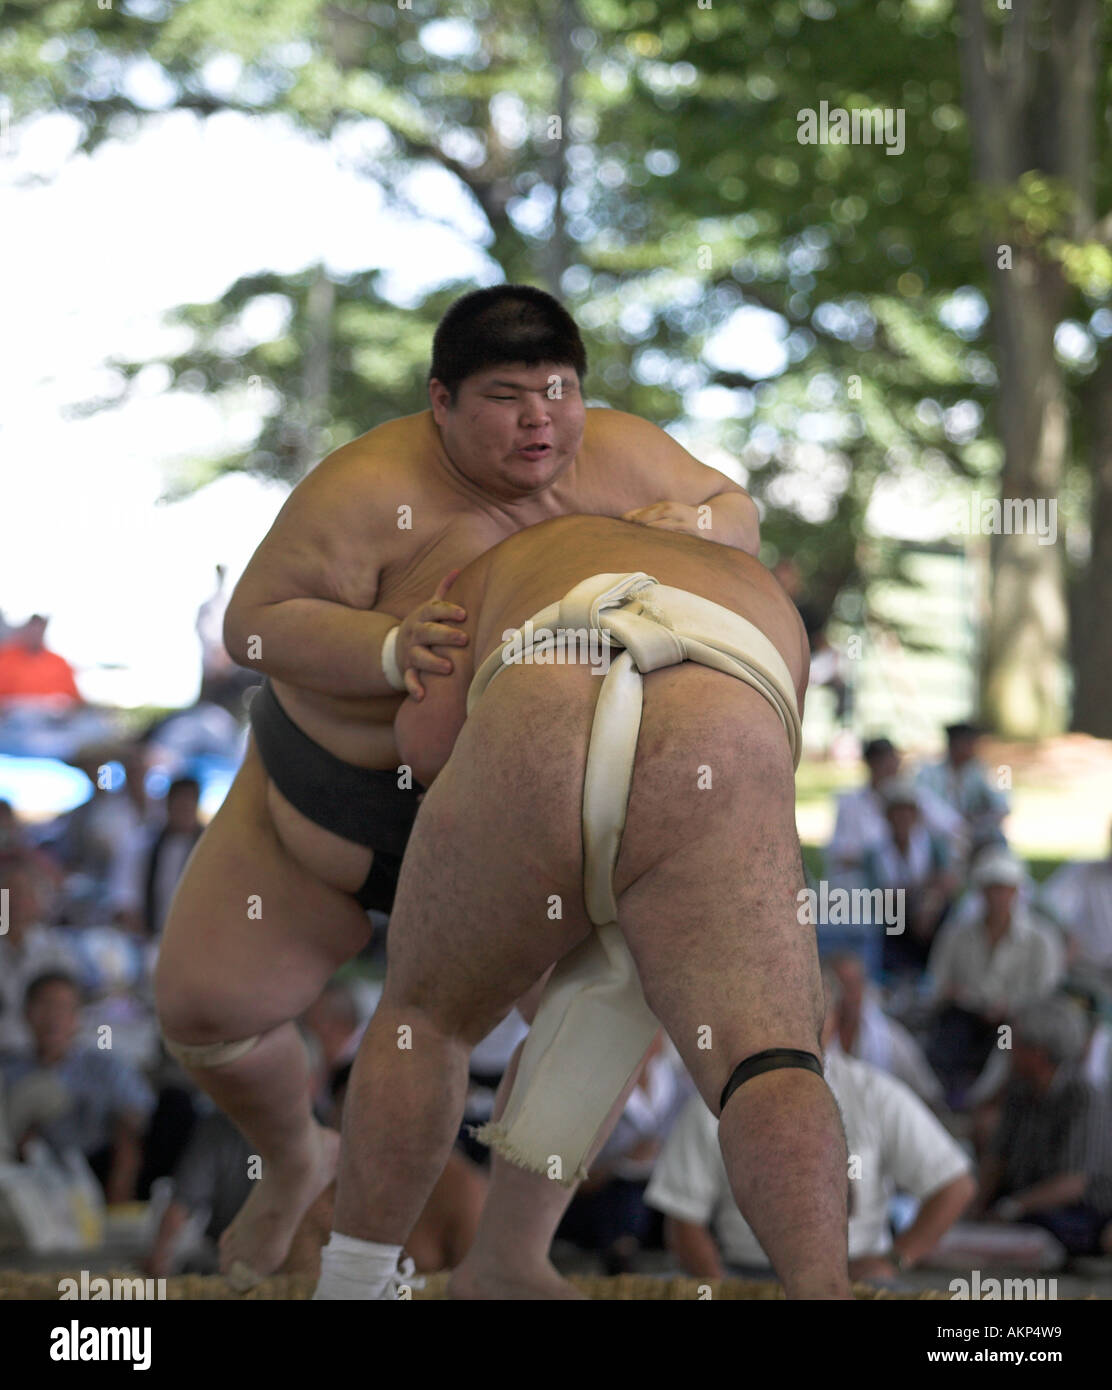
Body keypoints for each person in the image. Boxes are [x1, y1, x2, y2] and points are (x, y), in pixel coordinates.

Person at [154, 283, 763, 1293]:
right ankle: (297, 1151)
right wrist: (385, 644)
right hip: (327, 796)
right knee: (207, 1011)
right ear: (440, 401)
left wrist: (692, 521)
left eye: (557, 391)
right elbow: (252, 625)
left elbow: (735, 510)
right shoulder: (364, 487)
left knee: (598, 1012)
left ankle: (511, 1250)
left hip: (511, 822)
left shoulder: (616, 454)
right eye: (506, 396)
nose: (539, 421)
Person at [314, 511, 853, 1302]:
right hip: (721, 720)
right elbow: (772, 752)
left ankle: (354, 1287)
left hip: (539, 695)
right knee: (770, 1059)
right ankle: (822, 1297)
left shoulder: (508, 554)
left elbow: (428, 745)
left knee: (425, 1020)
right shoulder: (758, 585)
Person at [645, 969, 974, 1282]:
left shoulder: (875, 1094)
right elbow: (682, 1216)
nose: (801, 1023)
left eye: (813, 1010)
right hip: (748, 1277)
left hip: (855, 1277)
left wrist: (896, 1259)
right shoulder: (717, 1100)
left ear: (834, 1016)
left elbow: (953, 1184)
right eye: (785, 1009)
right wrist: (720, 1289)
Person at [970, 998, 1112, 1257]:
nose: (1008, 1049)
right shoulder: (1017, 1089)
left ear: (1038, 1052)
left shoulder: (1083, 1097)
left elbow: (1074, 1184)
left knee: (1059, 1231)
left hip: (1075, 1208)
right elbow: (997, 1157)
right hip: (1026, 1199)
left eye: (1015, 1042)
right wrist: (977, 1206)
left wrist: (1012, 1207)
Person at [2, 972, 155, 1203]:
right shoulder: (9, 1072)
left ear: (77, 1017)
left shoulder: (106, 1066)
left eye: (63, 1008)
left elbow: (136, 1118)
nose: (53, 1017)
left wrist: (123, 1175)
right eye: (45, 1005)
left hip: (102, 1165)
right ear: (26, 1014)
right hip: (35, 1173)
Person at [926, 849, 1064, 1099]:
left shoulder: (1040, 940)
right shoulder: (957, 935)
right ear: (981, 892)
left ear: (1016, 893)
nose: (998, 897)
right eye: (992, 889)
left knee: (1005, 1050)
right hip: (965, 1016)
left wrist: (1009, 1007)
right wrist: (954, 994)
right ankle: (950, 1095)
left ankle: (990, 1097)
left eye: (1004, 889)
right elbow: (936, 983)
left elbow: (1045, 996)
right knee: (948, 1045)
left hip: (1011, 1024)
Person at [826, 738, 963, 890]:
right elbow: (839, 853)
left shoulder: (916, 796)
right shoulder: (850, 803)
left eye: (891, 762)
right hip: (866, 887)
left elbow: (953, 826)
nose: (888, 768)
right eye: (881, 763)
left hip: (916, 884)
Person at [863, 778, 956, 976]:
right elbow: (874, 896)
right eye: (897, 812)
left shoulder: (932, 845)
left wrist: (927, 902)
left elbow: (948, 881)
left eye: (907, 811)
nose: (902, 818)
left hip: (929, 912)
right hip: (894, 918)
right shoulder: (875, 854)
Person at [0, 855, 79, 1057]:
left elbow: (70, 1011)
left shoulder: (57, 951)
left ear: (38, 902)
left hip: (44, 1057)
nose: (15, 903)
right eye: (8, 894)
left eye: (23, 895)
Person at [915, 722, 1009, 849]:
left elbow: (1002, 806)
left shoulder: (982, 772)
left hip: (974, 834)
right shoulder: (928, 773)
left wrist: (975, 819)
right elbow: (923, 805)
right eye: (969, 743)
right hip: (937, 835)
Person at [0, 616, 81, 707]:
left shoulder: (59, 662)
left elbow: (75, 700)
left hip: (53, 717)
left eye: (38, 630)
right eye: (32, 630)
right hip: (14, 717)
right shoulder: (6, 659)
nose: (35, 634)